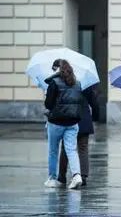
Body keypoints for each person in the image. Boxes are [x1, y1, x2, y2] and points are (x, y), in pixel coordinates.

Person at [43, 59, 84, 189]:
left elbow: (48, 104)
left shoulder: (54, 82)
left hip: (56, 122)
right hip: (73, 122)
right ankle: (77, 175)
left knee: (53, 151)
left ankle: (52, 178)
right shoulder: (77, 83)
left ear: (57, 69)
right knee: (71, 150)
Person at [58, 83, 99, 187]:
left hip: (68, 118)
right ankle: (83, 176)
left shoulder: (63, 82)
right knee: (83, 148)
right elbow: (94, 103)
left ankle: (62, 176)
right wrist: (95, 117)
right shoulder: (86, 83)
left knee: (65, 148)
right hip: (84, 119)